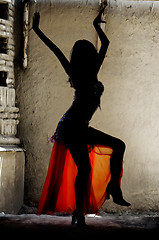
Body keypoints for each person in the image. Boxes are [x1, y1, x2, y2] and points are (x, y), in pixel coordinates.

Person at [33, 6, 130, 226]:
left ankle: (113, 187)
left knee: (118, 146)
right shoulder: (75, 72)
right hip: (70, 128)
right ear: (83, 56)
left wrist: (97, 25)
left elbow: (105, 44)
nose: (93, 55)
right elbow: (55, 49)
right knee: (85, 169)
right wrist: (36, 30)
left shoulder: (93, 71)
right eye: (88, 52)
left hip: (80, 126)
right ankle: (79, 212)